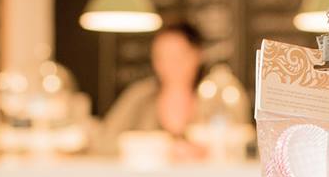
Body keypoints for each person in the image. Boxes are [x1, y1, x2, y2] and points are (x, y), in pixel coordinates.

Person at [101, 22, 250, 153]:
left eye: (178, 56)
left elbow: (240, 142)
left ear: (198, 55)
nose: (169, 64)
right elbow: (104, 140)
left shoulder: (214, 94)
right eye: (161, 56)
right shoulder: (139, 97)